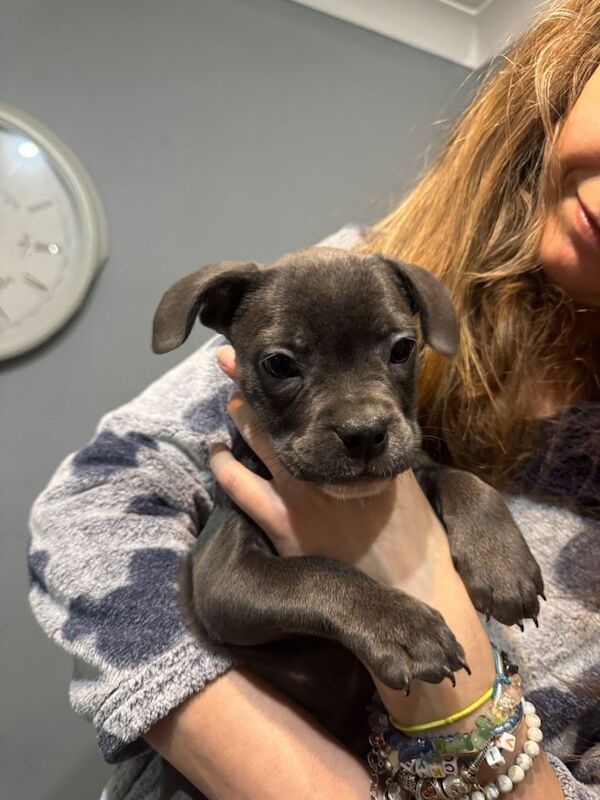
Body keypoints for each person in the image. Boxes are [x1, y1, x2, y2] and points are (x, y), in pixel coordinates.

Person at [27, 0, 599, 797]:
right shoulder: (330, 284)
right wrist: (367, 602)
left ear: (422, 331)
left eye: (396, 357)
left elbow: (425, 491)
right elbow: (198, 575)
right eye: (289, 369)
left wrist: (458, 521)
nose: (363, 413)